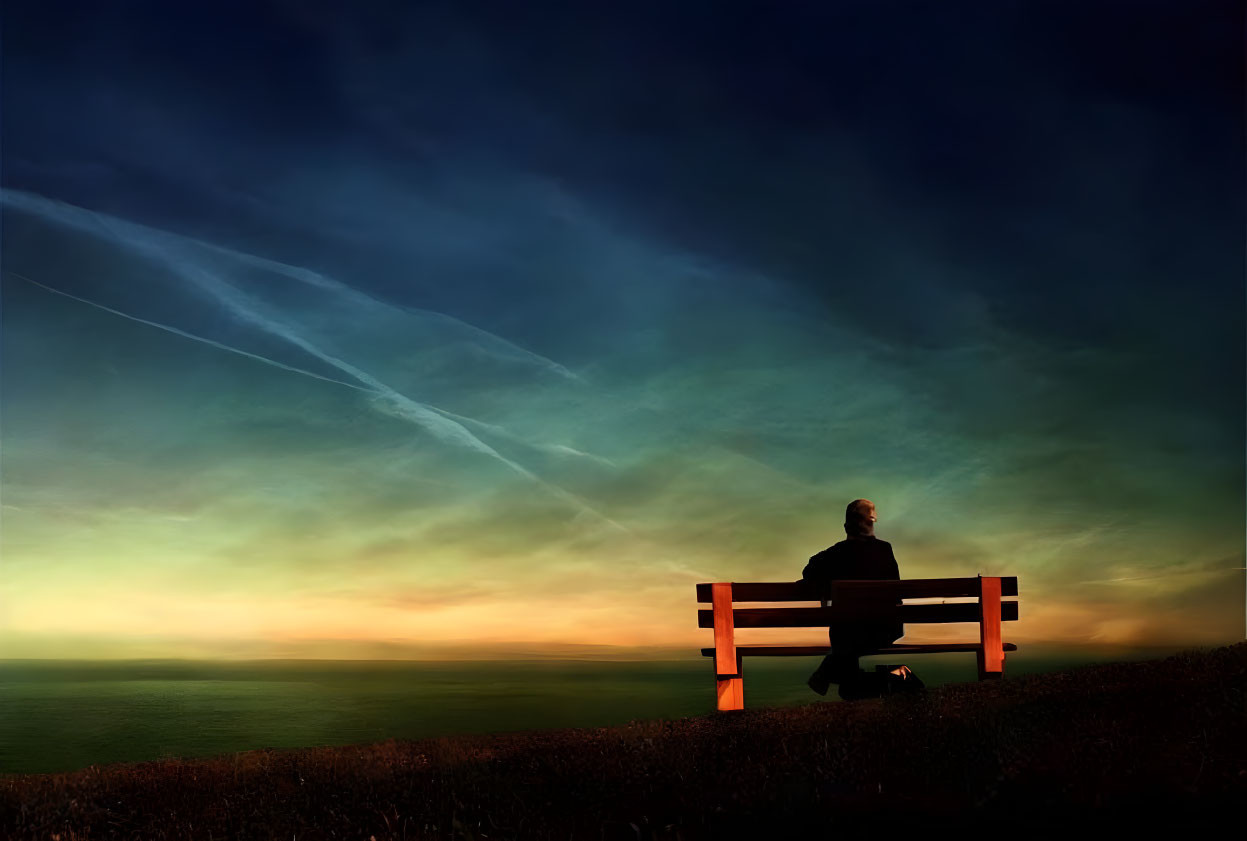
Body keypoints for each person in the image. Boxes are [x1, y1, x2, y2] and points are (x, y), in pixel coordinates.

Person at [800, 499, 923, 699]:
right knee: (849, 687)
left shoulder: (836, 553)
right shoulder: (885, 550)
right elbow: (897, 594)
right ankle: (897, 676)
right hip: (883, 631)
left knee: (847, 667)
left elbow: (808, 572)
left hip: (846, 632)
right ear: (872, 523)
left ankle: (828, 670)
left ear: (846, 526)